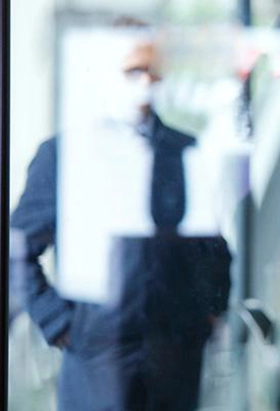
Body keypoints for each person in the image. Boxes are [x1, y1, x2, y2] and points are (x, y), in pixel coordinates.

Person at [9, 24, 231, 411]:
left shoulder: (185, 150)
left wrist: (209, 312)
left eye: (153, 71)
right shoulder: (65, 155)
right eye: (133, 70)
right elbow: (19, 247)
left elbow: (212, 243)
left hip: (175, 352)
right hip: (99, 353)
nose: (146, 81)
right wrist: (60, 323)